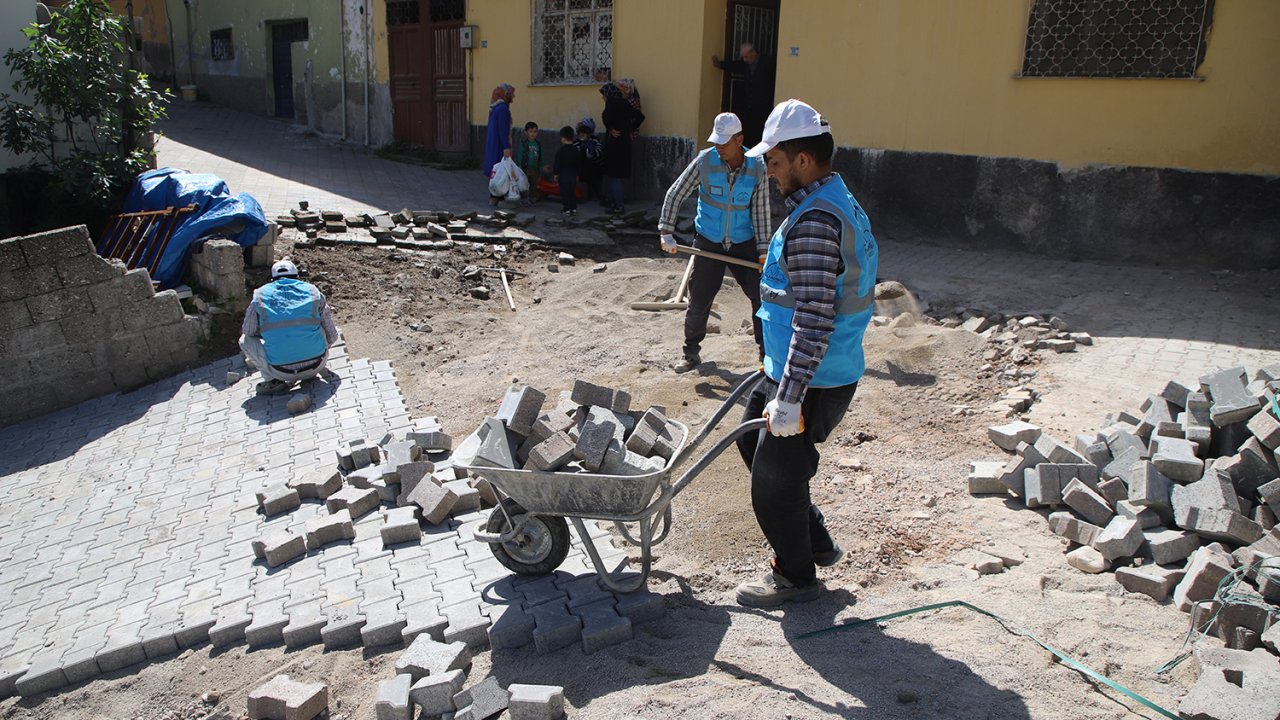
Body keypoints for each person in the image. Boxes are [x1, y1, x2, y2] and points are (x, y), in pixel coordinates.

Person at [732, 99, 879, 608]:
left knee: (773, 482)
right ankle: (813, 540)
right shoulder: (828, 201)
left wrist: (790, 397)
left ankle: (795, 575)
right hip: (797, 370)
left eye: (773, 163)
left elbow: (815, 317)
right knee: (752, 444)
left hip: (813, 378)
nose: (769, 174)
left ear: (802, 160)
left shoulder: (816, 221)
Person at [657, 112, 770, 373]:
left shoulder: (758, 167)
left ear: (739, 139)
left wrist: (763, 251)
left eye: (724, 142)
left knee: (761, 297)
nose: (718, 147)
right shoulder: (704, 161)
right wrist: (666, 231)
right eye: (716, 141)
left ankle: (767, 356)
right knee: (700, 298)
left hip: (744, 242)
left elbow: (761, 212)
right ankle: (691, 353)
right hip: (709, 240)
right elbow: (675, 193)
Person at [240, 259, 341, 396]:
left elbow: (248, 331)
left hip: (281, 372)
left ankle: (273, 382)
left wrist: (269, 332)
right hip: (317, 364)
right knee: (320, 325)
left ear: (272, 279)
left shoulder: (260, 296)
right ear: (297, 277)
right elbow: (333, 335)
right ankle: (309, 369)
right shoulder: (312, 291)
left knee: (244, 340)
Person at [712, 43, 776, 146]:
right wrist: (720, 64)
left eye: (746, 56)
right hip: (749, 105)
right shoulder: (747, 64)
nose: (745, 60)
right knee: (748, 130)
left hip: (763, 106)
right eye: (743, 57)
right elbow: (735, 66)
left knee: (760, 132)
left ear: (753, 52)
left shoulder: (767, 63)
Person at [600, 78, 645, 215]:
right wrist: (629, 129)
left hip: (615, 144)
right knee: (616, 175)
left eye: (603, 95)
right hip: (625, 142)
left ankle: (618, 206)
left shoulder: (611, 105)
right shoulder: (625, 103)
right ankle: (612, 200)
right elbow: (640, 117)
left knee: (614, 175)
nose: (602, 98)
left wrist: (613, 128)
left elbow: (607, 120)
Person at [483, 83, 515, 206]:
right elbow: (503, 130)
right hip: (499, 145)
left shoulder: (495, 107)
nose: (513, 96)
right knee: (502, 170)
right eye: (511, 93)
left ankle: (494, 196)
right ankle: (499, 197)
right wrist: (506, 146)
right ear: (505, 94)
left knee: (495, 170)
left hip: (494, 143)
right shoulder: (503, 109)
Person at [553, 125, 580, 216]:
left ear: (563, 138)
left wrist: (556, 174)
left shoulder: (561, 151)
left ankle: (567, 209)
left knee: (564, 193)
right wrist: (577, 175)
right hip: (573, 174)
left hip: (564, 175)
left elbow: (557, 164)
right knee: (572, 192)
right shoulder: (576, 150)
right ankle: (574, 208)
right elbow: (578, 164)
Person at [574, 118, 604, 202]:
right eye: (580, 134)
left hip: (595, 165)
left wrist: (592, 153)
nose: (582, 136)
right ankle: (587, 195)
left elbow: (599, 150)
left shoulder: (595, 140)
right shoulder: (577, 142)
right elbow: (574, 152)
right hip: (582, 167)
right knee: (584, 181)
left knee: (596, 180)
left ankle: (598, 195)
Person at [514, 121, 543, 205]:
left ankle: (532, 197)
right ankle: (524, 198)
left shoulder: (538, 144)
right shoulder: (524, 144)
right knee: (524, 183)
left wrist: (542, 164)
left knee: (534, 183)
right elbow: (520, 154)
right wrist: (519, 164)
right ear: (526, 132)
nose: (533, 134)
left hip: (535, 168)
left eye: (535, 132)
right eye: (530, 131)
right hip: (525, 168)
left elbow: (541, 154)